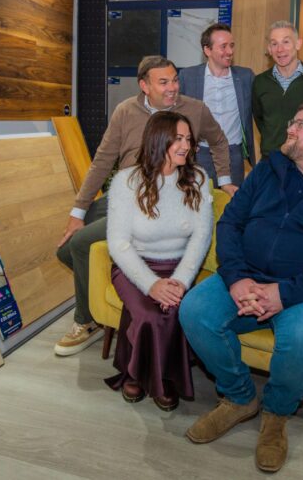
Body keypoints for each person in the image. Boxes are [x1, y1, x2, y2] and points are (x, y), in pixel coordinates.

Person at [179, 101, 303, 473]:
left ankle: (277, 413)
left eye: (301, 125)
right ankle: (239, 398)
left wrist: (283, 294)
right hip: (245, 277)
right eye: (292, 122)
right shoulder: (267, 170)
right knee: (194, 312)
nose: (290, 130)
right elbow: (231, 224)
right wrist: (236, 278)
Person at [54, 56, 236, 357]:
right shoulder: (126, 111)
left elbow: (218, 140)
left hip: (157, 201)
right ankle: (116, 279)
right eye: (163, 82)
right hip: (123, 195)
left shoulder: (194, 109)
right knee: (66, 248)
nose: (172, 88)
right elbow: (103, 160)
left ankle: (86, 321)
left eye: (174, 80)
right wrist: (78, 211)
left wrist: (225, 179)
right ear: (144, 85)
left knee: (84, 242)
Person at [103, 111, 213, 411]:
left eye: (188, 139)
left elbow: (202, 237)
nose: (185, 145)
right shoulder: (126, 181)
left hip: (180, 268)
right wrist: (151, 284)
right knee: (151, 315)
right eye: (177, 138)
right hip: (134, 267)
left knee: (174, 310)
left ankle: (156, 376)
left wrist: (179, 281)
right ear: (158, 139)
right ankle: (144, 375)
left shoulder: (198, 180)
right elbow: (118, 244)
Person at [179, 23, 255, 187]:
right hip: (200, 154)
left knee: (232, 205)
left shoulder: (245, 77)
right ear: (207, 50)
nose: (230, 51)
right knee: (199, 203)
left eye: (232, 45)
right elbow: (176, 113)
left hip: (232, 154)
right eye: (223, 47)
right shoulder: (188, 77)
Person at [252, 20, 303, 160]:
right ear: (269, 48)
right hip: (270, 161)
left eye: (286, 42)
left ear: (298, 44)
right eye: (274, 44)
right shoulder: (259, 82)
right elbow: (260, 120)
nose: (280, 49)